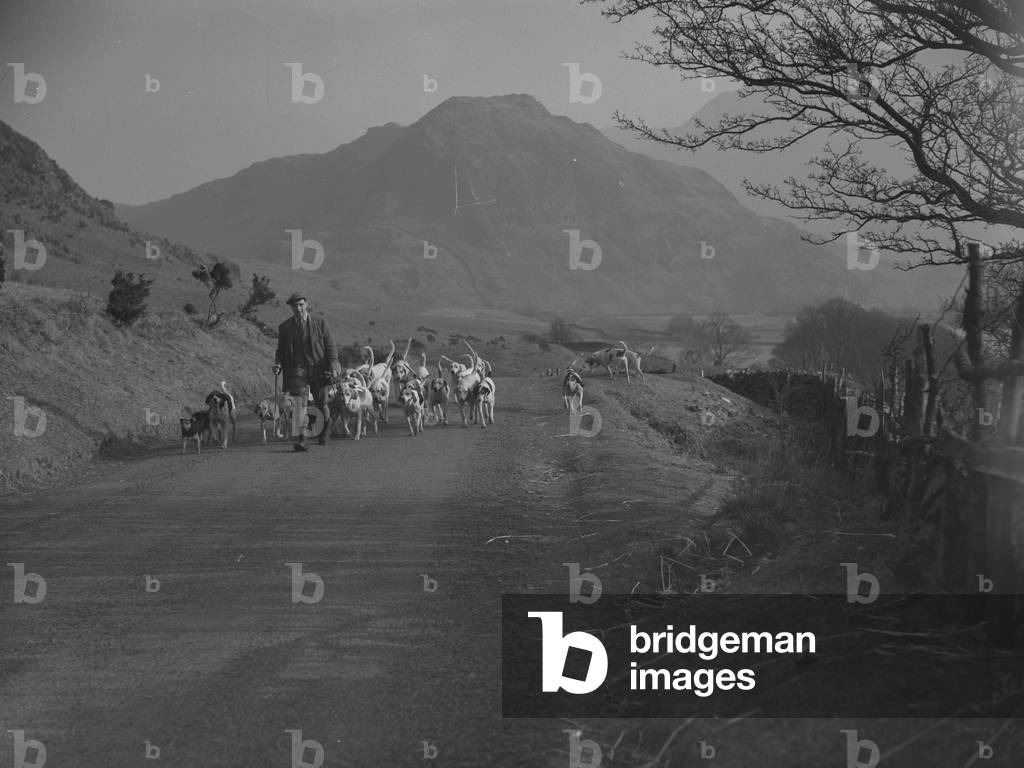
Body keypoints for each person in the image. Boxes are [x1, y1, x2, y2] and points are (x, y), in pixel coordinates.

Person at [273, 292, 340, 451]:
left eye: (301, 305)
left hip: (319, 368)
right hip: (297, 369)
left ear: (306, 304)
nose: (298, 308)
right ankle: (303, 438)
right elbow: (281, 351)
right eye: (295, 306)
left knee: (321, 402)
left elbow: (330, 347)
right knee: (299, 404)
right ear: (291, 308)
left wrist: (334, 366)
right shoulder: (285, 327)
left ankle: (326, 426)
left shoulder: (320, 322)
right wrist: (278, 364)